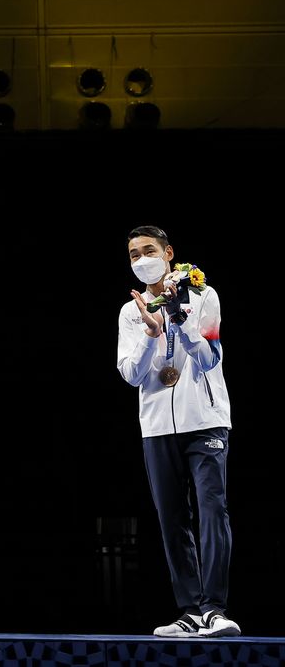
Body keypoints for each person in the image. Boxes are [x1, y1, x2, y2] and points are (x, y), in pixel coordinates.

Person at [117, 225, 238, 638]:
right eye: (133, 254)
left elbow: (208, 359)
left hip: (204, 419)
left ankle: (215, 610)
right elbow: (131, 375)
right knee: (172, 520)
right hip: (155, 428)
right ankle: (189, 612)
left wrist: (179, 318)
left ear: (169, 253)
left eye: (148, 250)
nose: (141, 259)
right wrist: (152, 335)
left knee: (211, 511)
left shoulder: (204, 295)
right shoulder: (130, 312)